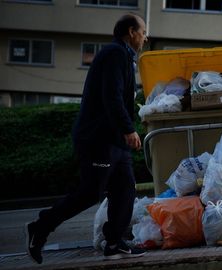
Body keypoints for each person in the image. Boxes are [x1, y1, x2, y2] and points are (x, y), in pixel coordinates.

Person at [25, 13, 148, 264]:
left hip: (113, 140)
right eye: (143, 32)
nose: (146, 37)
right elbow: (111, 96)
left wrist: (125, 129)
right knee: (90, 192)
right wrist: (128, 129)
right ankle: (41, 226)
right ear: (131, 32)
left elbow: (120, 99)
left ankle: (114, 242)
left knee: (125, 189)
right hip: (98, 139)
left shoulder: (123, 56)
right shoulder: (114, 54)